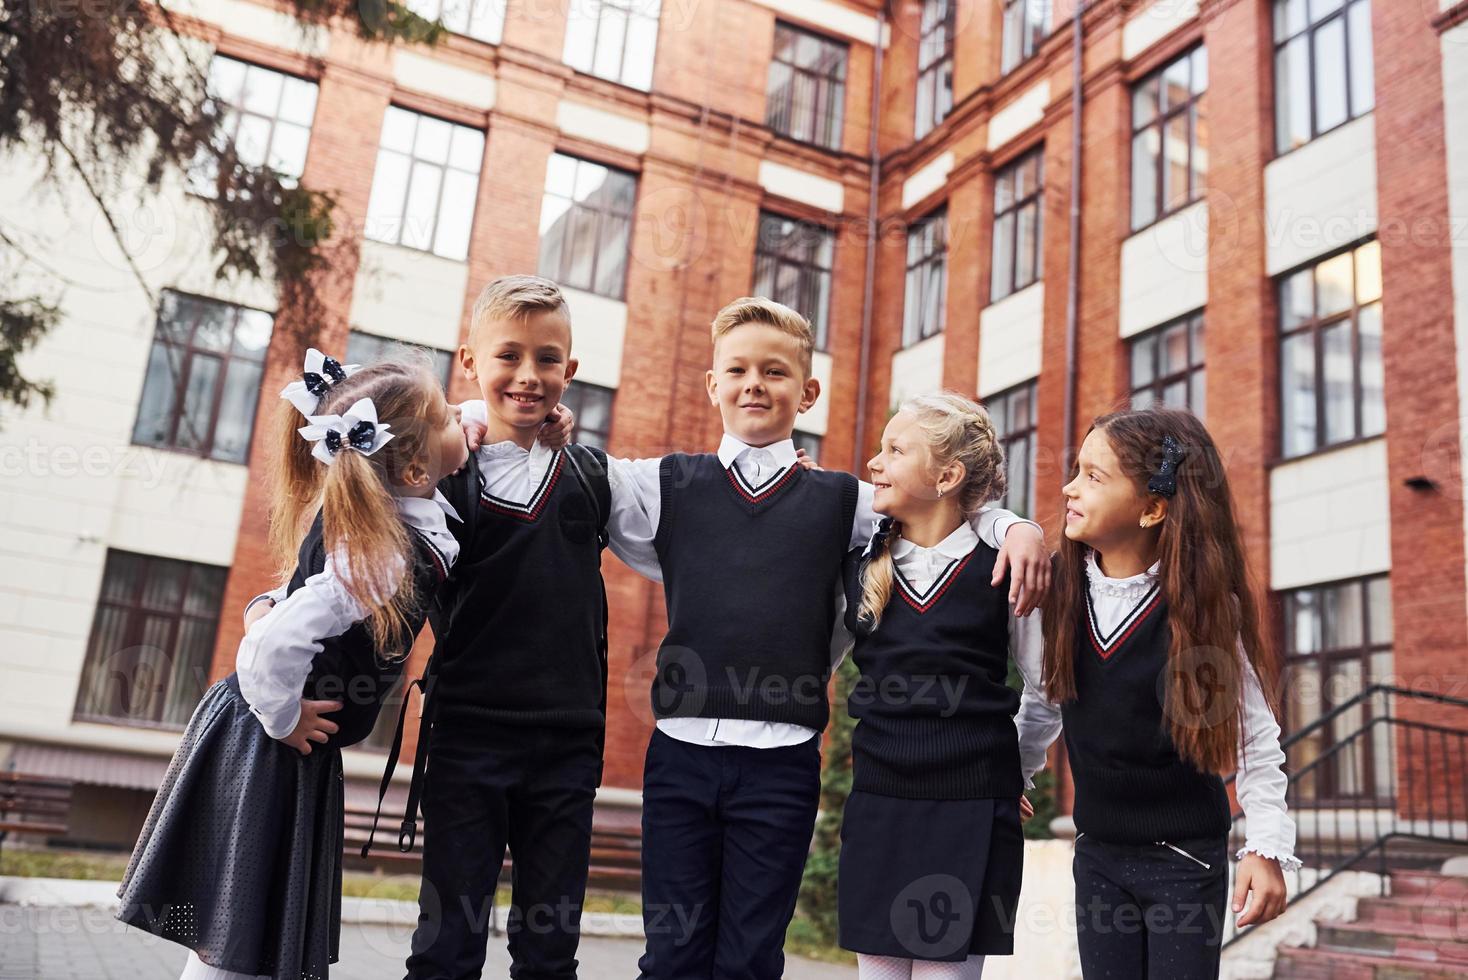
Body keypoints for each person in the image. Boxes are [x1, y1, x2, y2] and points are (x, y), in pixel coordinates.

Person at [116, 352, 469, 980]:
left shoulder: (388, 508)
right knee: (241, 924)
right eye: (447, 416)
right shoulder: (381, 555)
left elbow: (285, 607)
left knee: (250, 925)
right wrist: (283, 719)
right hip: (270, 743)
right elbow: (273, 646)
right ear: (415, 465)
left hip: (277, 742)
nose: (463, 422)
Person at [1017, 406, 1298, 980]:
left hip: (1185, 856)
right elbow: (1042, 705)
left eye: (1094, 477)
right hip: (1098, 855)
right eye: (1075, 470)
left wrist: (1265, 848)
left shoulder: (1203, 610)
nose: (1069, 488)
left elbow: (1254, 736)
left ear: (1152, 507)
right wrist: (1008, 777)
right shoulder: (1058, 594)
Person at [837, 392, 1042, 980]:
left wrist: (1018, 773)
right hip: (879, 799)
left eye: (895, 450)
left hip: (971, 808)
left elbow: (1046, 689)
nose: (874, 462)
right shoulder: (860, 561)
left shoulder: (1003, 566)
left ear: (947, 475)